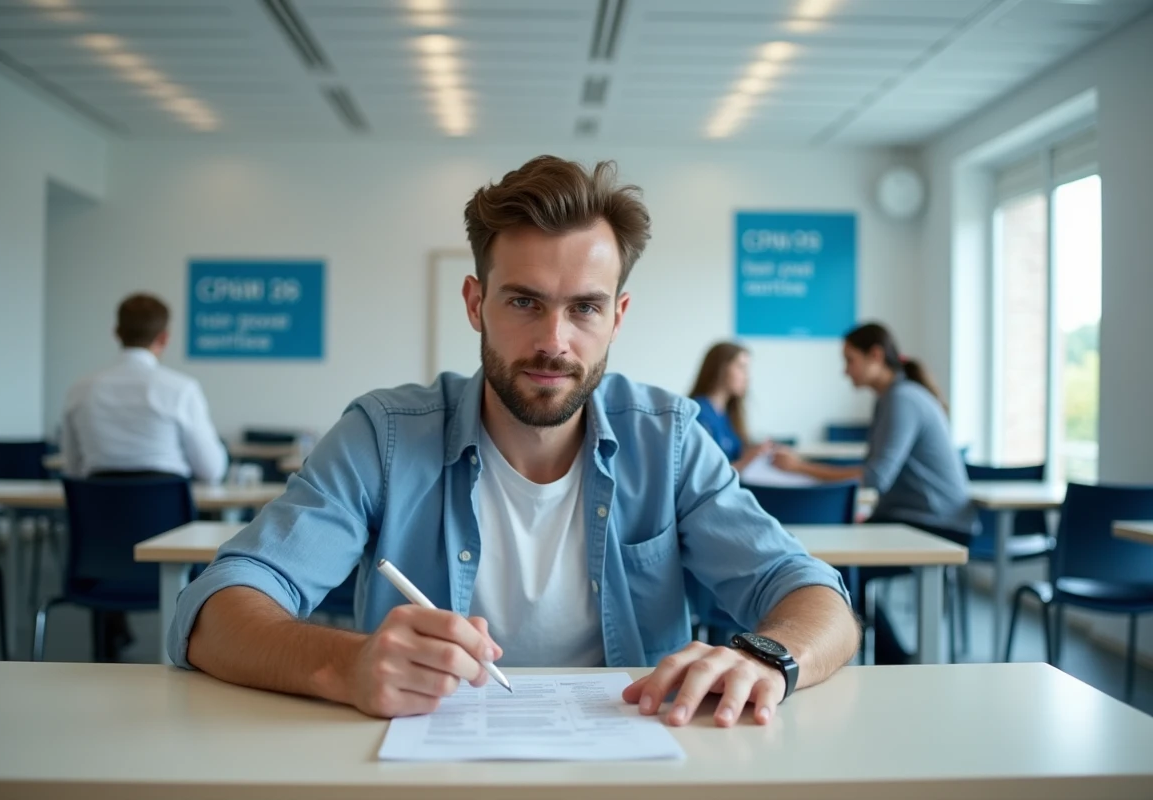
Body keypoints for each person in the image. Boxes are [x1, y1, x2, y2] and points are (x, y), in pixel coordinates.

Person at [171, 156, 860, 728]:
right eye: (525, 302)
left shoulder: (669, 440)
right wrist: (344, 665)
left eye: (584, 307)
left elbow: (817, 597)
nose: (554, 342)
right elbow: (216, 609)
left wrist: (769, 655)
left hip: (635, 766)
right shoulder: (382, 438)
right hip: (423, 772)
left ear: (617, 317)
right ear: (476, 303)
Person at [772, 322, 976, 663]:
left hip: (934, 523)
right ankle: (891, 656)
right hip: (909, 517)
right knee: (837, 565)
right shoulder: (894, 397)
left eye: (849, 360)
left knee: (838, 572)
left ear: (876, 356)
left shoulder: (903, 399)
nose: (845, 371)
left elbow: (875, 477)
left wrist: (801, 467)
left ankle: (894, 658)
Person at [61, 292, 228, 660]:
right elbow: (212, 469)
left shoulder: (80, 390)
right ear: (164, 337)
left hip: (98, 558)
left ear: (116, 332)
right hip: (172, 545)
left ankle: (109, 640)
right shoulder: (180, 389)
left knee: (113, 530)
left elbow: (73, 468)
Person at [688, 343, 770, 470]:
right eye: (741, 367)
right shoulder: (698, 413)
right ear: (720, 368)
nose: (747, 376)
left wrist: (754, 452)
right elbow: (705, 476)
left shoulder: (727, 413)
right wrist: (746, 461)